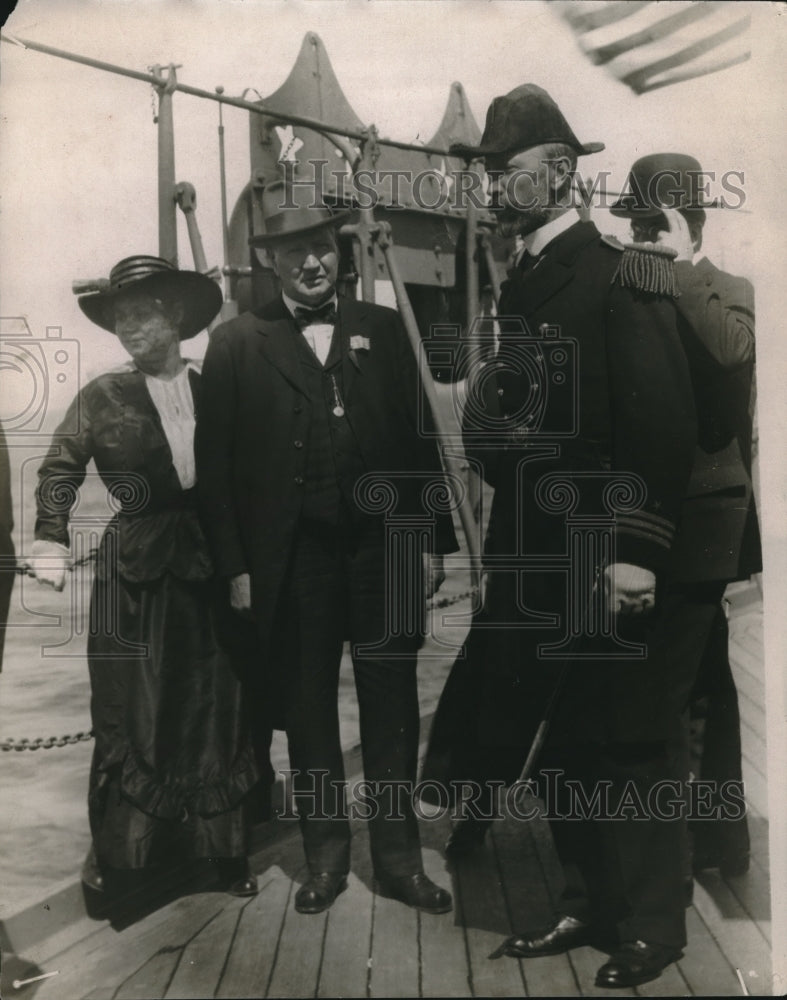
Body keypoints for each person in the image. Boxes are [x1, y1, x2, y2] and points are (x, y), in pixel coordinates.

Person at [424, 85, 698, 988]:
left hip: (602, 549)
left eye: (503, 172)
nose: (492, 189)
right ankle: (586, 901)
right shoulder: (526, 280)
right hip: (533, 551)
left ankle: (653, 924)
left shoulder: (624, 273)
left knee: (630, 738)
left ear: (559, 172)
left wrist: (634, 551)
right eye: (489, 174)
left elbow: (658, 430)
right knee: (567, 737)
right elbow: (497, 424)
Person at [194, 181, 458, 916]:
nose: (310, 264)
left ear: (335, 255)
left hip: (386, 555)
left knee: (392, 710)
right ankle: (325, 863)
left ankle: (401, 863)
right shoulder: (236, 344)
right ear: (271, 265)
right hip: (293, 564)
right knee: (308, 716)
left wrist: (432, 543)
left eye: (319, 248)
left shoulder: (382, 325)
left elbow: (421, 443)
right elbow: (214, 473)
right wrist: (238, 568)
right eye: (293, 253)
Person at [26, 256, 261, 897]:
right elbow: (58, 469)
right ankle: (127, 863)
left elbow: (257, 475)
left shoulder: (219, 386)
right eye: (119, 318)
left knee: (216, 705)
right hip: (133, 574)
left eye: (141, 314)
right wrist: (49, 538)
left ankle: (223, 854)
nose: (128, 327)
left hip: (214, 565)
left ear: (176, 316)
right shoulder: (103, 395)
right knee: (132, 710)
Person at [610, 152, 761, 880]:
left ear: (685, 221)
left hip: (705, 521)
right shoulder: (635, 291)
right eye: (634, 226)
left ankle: (690, 851)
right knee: (700, 679)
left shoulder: (724, 287)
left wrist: (677, 265)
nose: (640, 237)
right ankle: (718, 842)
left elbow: (731, 353)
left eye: (651, 223)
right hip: (651, 514)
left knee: (678, 686)